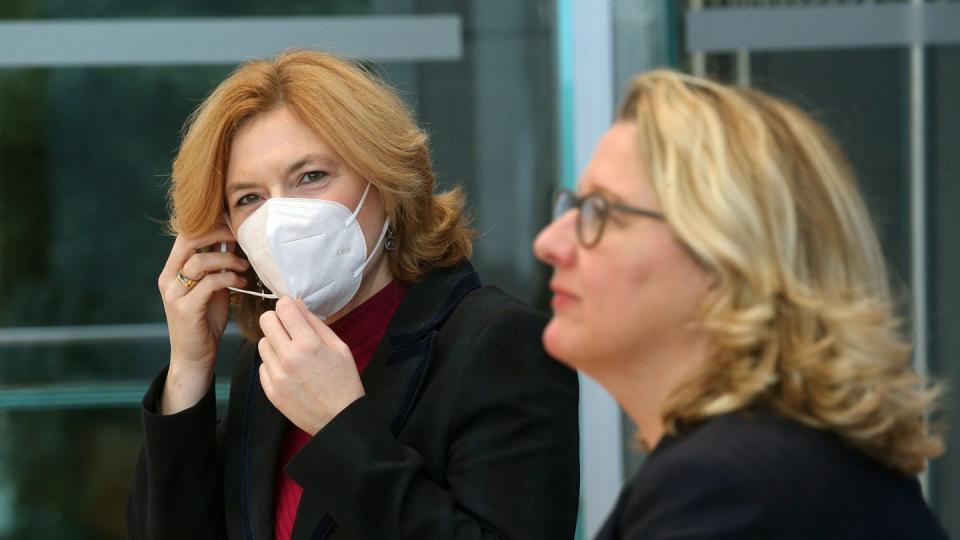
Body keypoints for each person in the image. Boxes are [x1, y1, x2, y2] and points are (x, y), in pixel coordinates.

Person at [127, 50, 580, 540]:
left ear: (383, 181)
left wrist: (340, 426)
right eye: (249, 198)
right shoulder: (271, 361)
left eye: (311, 177)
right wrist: (189, 370)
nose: (281, 216)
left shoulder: (499, 343)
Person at [534, 70, 947, 539]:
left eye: (601, 212)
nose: (548, 243)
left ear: (728, 256)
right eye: (573, 207)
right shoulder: (776, 468)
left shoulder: (727, 488)